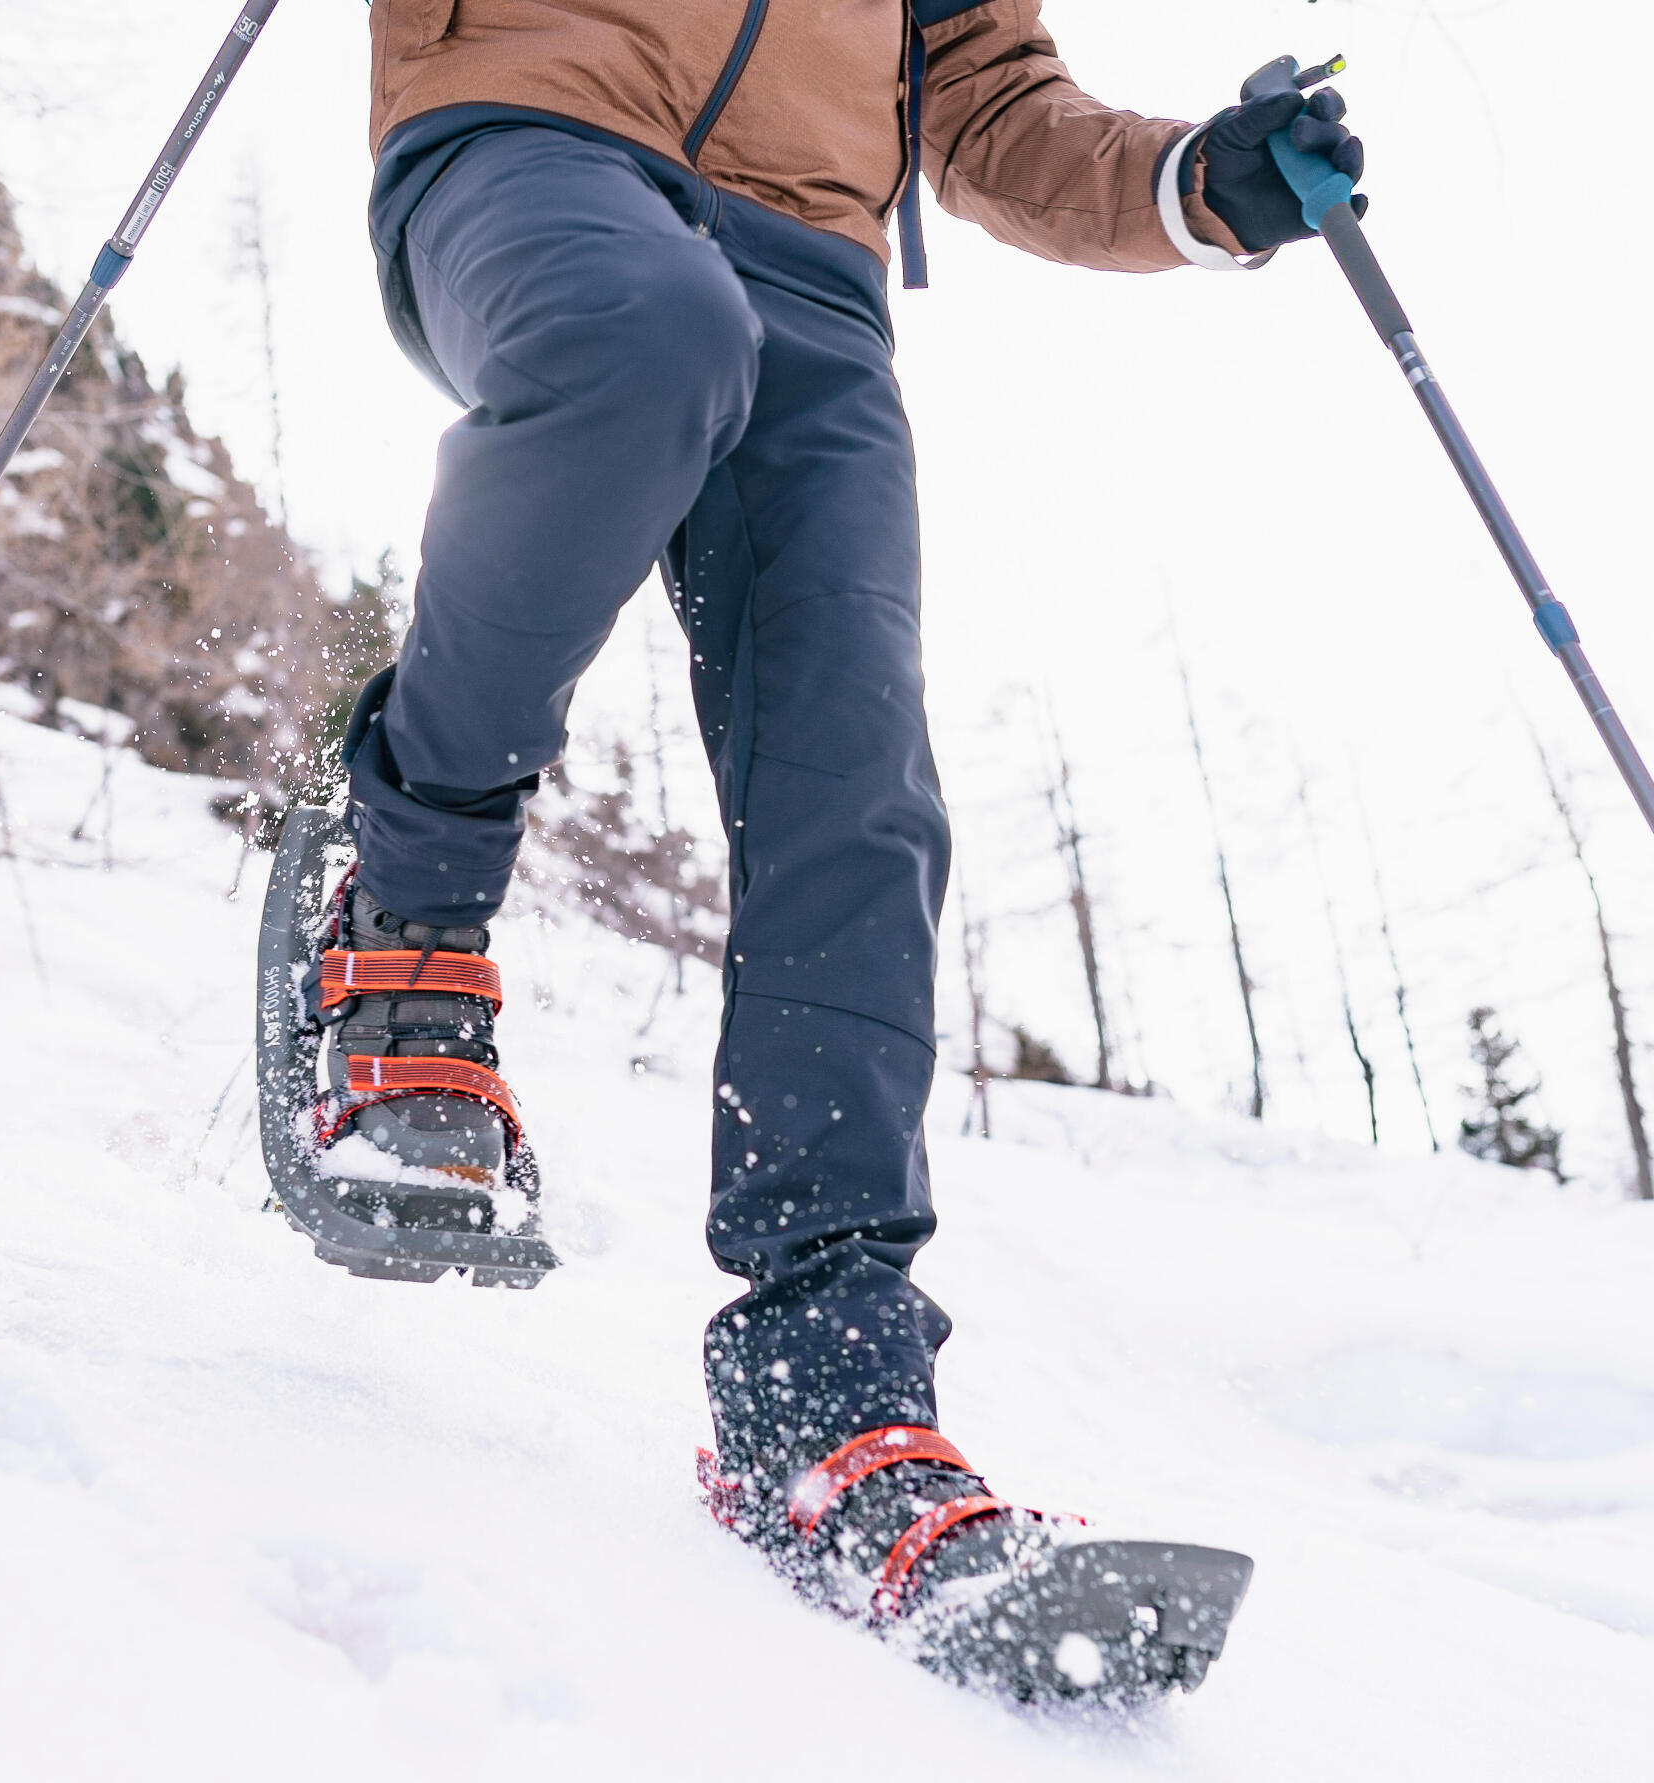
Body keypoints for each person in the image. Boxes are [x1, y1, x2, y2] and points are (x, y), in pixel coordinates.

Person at [314, 0, 1359, 1690]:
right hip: (531, 141)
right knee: (645, 338)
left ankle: (828, 1403)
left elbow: (993, 100)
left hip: (814, 261)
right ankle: (408, 911)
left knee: (854, 780)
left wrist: (1194, 185)